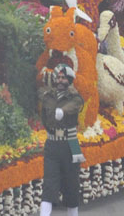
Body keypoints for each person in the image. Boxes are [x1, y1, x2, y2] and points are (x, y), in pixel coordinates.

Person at [38, 63, 84, 216]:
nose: (60, 80)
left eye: (64, 77)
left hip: (71, 143)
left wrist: (62, 111)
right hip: (52, 143)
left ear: (69, 80)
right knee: (49, 184)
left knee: (72, 185)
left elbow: (76, 105)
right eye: (58, 77)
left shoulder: (75, 97)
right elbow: (44, 118)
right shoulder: (47, 97)